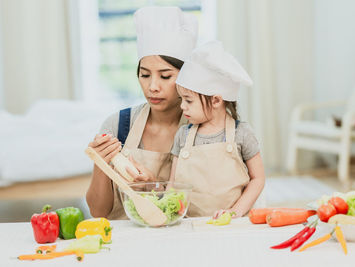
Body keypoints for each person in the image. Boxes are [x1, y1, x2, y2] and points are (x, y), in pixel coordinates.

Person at [86, 6, 198, 219]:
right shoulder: (118, 125)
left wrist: (153, 186)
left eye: (165, 76)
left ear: (187, 77)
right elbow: (98, 212)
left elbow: (206, 203)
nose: (152, 86)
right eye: (145, 75)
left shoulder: (202, 129)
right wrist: (101, 163)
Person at [169, 41, 266, 218]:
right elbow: (173, 184)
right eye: (181, 99)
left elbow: (258, 179)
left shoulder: (241, 133)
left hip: (231, 224)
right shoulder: (183, 135)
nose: (182, 106)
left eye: (188, 100)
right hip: (190, 223)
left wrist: (234, 212)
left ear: (216, 100)